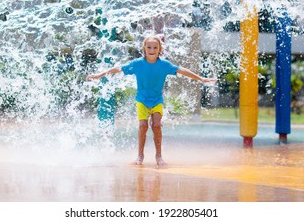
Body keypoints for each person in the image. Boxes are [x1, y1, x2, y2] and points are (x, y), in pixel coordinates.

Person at [87, 35, 217, 167]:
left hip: (157, 101)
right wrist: (99, 75)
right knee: (143, 126)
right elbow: (118, 68)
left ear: (160, 49)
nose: (152, 49)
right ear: (144, 48)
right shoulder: (137, 64)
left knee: (156, 126)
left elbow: (182, 70)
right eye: (149, 47)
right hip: (142, 100)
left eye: (155, 47)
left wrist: (201, 79)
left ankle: (159, 155)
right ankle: (140, 155)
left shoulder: (164, 65)